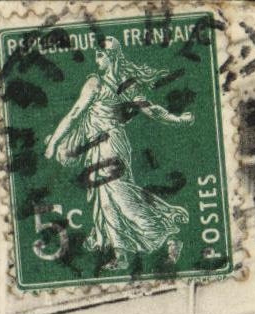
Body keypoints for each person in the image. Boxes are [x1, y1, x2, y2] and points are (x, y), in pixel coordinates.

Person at [44, 38, 194, 270]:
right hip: (99, 146)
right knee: (105, 202)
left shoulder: (107, 84)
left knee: (122, 198)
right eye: (96, 55)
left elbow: (149, 110)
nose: (97, 59)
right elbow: (76, 114)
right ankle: (120, 254)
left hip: (110, 145)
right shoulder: (112, 83)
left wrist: (53, 143)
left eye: (101, 55)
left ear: (112, 56)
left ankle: (167, 236)